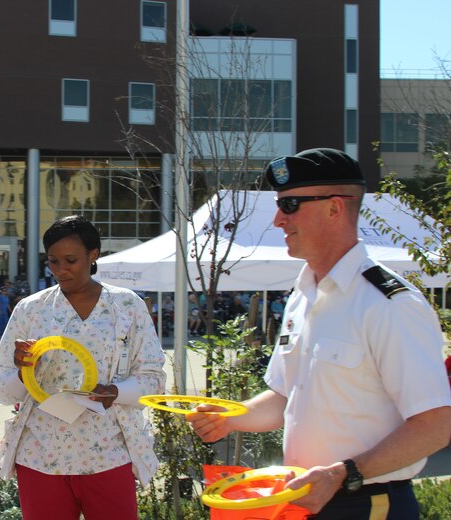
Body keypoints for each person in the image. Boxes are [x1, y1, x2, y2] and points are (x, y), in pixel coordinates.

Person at [187, 148, 451, 518]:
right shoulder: (304, 294)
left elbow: (435, 426)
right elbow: (284, 396)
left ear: (335, 208)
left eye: (291, 204)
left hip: (366, 501)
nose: (278, 219)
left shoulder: (390, 304)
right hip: (304, 498)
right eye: (279, 205)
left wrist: (345, 473)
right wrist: (231, 417)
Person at [0, 215, 166, 520]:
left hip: (109, 453)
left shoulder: (127, 307)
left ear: (93, 255)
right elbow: (2, 392)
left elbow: (153, 380)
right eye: (53, 261)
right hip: (40, 456)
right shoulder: (31, 310)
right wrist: (23, 371)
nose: (61, 269)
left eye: (71, 260)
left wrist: (115, 392)